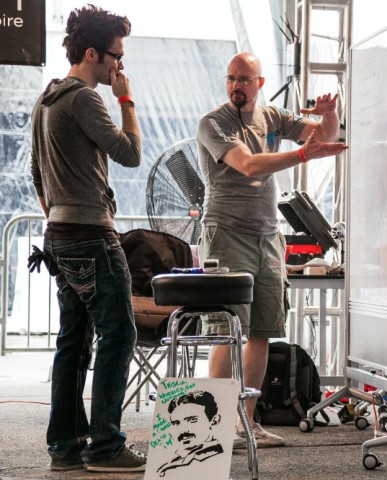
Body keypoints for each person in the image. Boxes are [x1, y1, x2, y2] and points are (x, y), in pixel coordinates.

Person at [197, 52, 348, 448]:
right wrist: (301, 154)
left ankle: (245, 423)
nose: (236, 85)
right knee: (227, 332)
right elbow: (248, 165)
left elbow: (324, 135)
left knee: (262, 331)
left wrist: (330, 115)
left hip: (267, 237)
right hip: (226, 234)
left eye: (244, 79)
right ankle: (214, 428)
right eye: (231, 78)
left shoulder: (272, 116)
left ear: (260, 83)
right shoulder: (214, 122)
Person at [30, 4, 145, 473]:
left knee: (74, 341)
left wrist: (59, 216)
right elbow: (131, 154)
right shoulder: (84, 98)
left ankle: (66, 446)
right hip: (92, 236)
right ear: (93, 54)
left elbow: (36, 175)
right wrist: (126, 100)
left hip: (58, 235)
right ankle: (105, 447)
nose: (120, 65)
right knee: (120, 334)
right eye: (117, 56)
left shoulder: (46, 99)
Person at [157, 391, 224, 476]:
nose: (182, 431)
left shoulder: (211, 459)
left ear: (214, 421)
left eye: (191, 420)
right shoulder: (178, 458)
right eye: (176, 423)